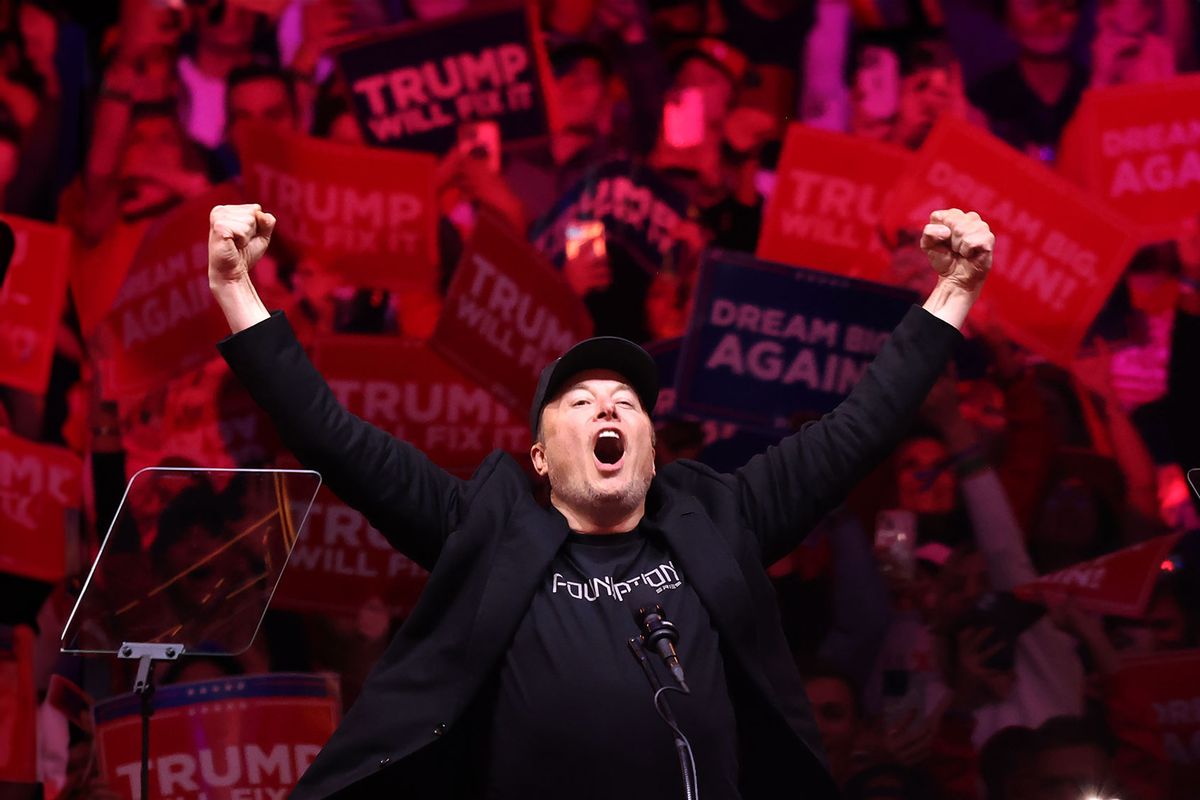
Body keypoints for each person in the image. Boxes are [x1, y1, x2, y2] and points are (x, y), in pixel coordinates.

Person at [205, 201, 993, 797]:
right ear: (541, 459)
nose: (610, 407)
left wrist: (953, 291)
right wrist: (238, 289)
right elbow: (333, 438)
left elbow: (859, 428)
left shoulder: (723, 515)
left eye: (626, 401)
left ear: (652, 449)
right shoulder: (482, 526)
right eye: (581, 403)